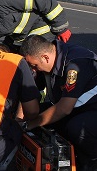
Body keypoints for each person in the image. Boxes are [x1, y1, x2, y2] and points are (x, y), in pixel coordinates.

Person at [20, 35, 97, 170]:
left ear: (45, 57)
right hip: (76, 107)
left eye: (35, 66)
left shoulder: (75, 63)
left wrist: (29, 125)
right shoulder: (46, 61)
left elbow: (64, 109)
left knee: (76, 128)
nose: (34, 70)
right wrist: (19, 119)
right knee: (35, 113)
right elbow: (29, 94)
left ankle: (91, 163)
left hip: (91, 109)